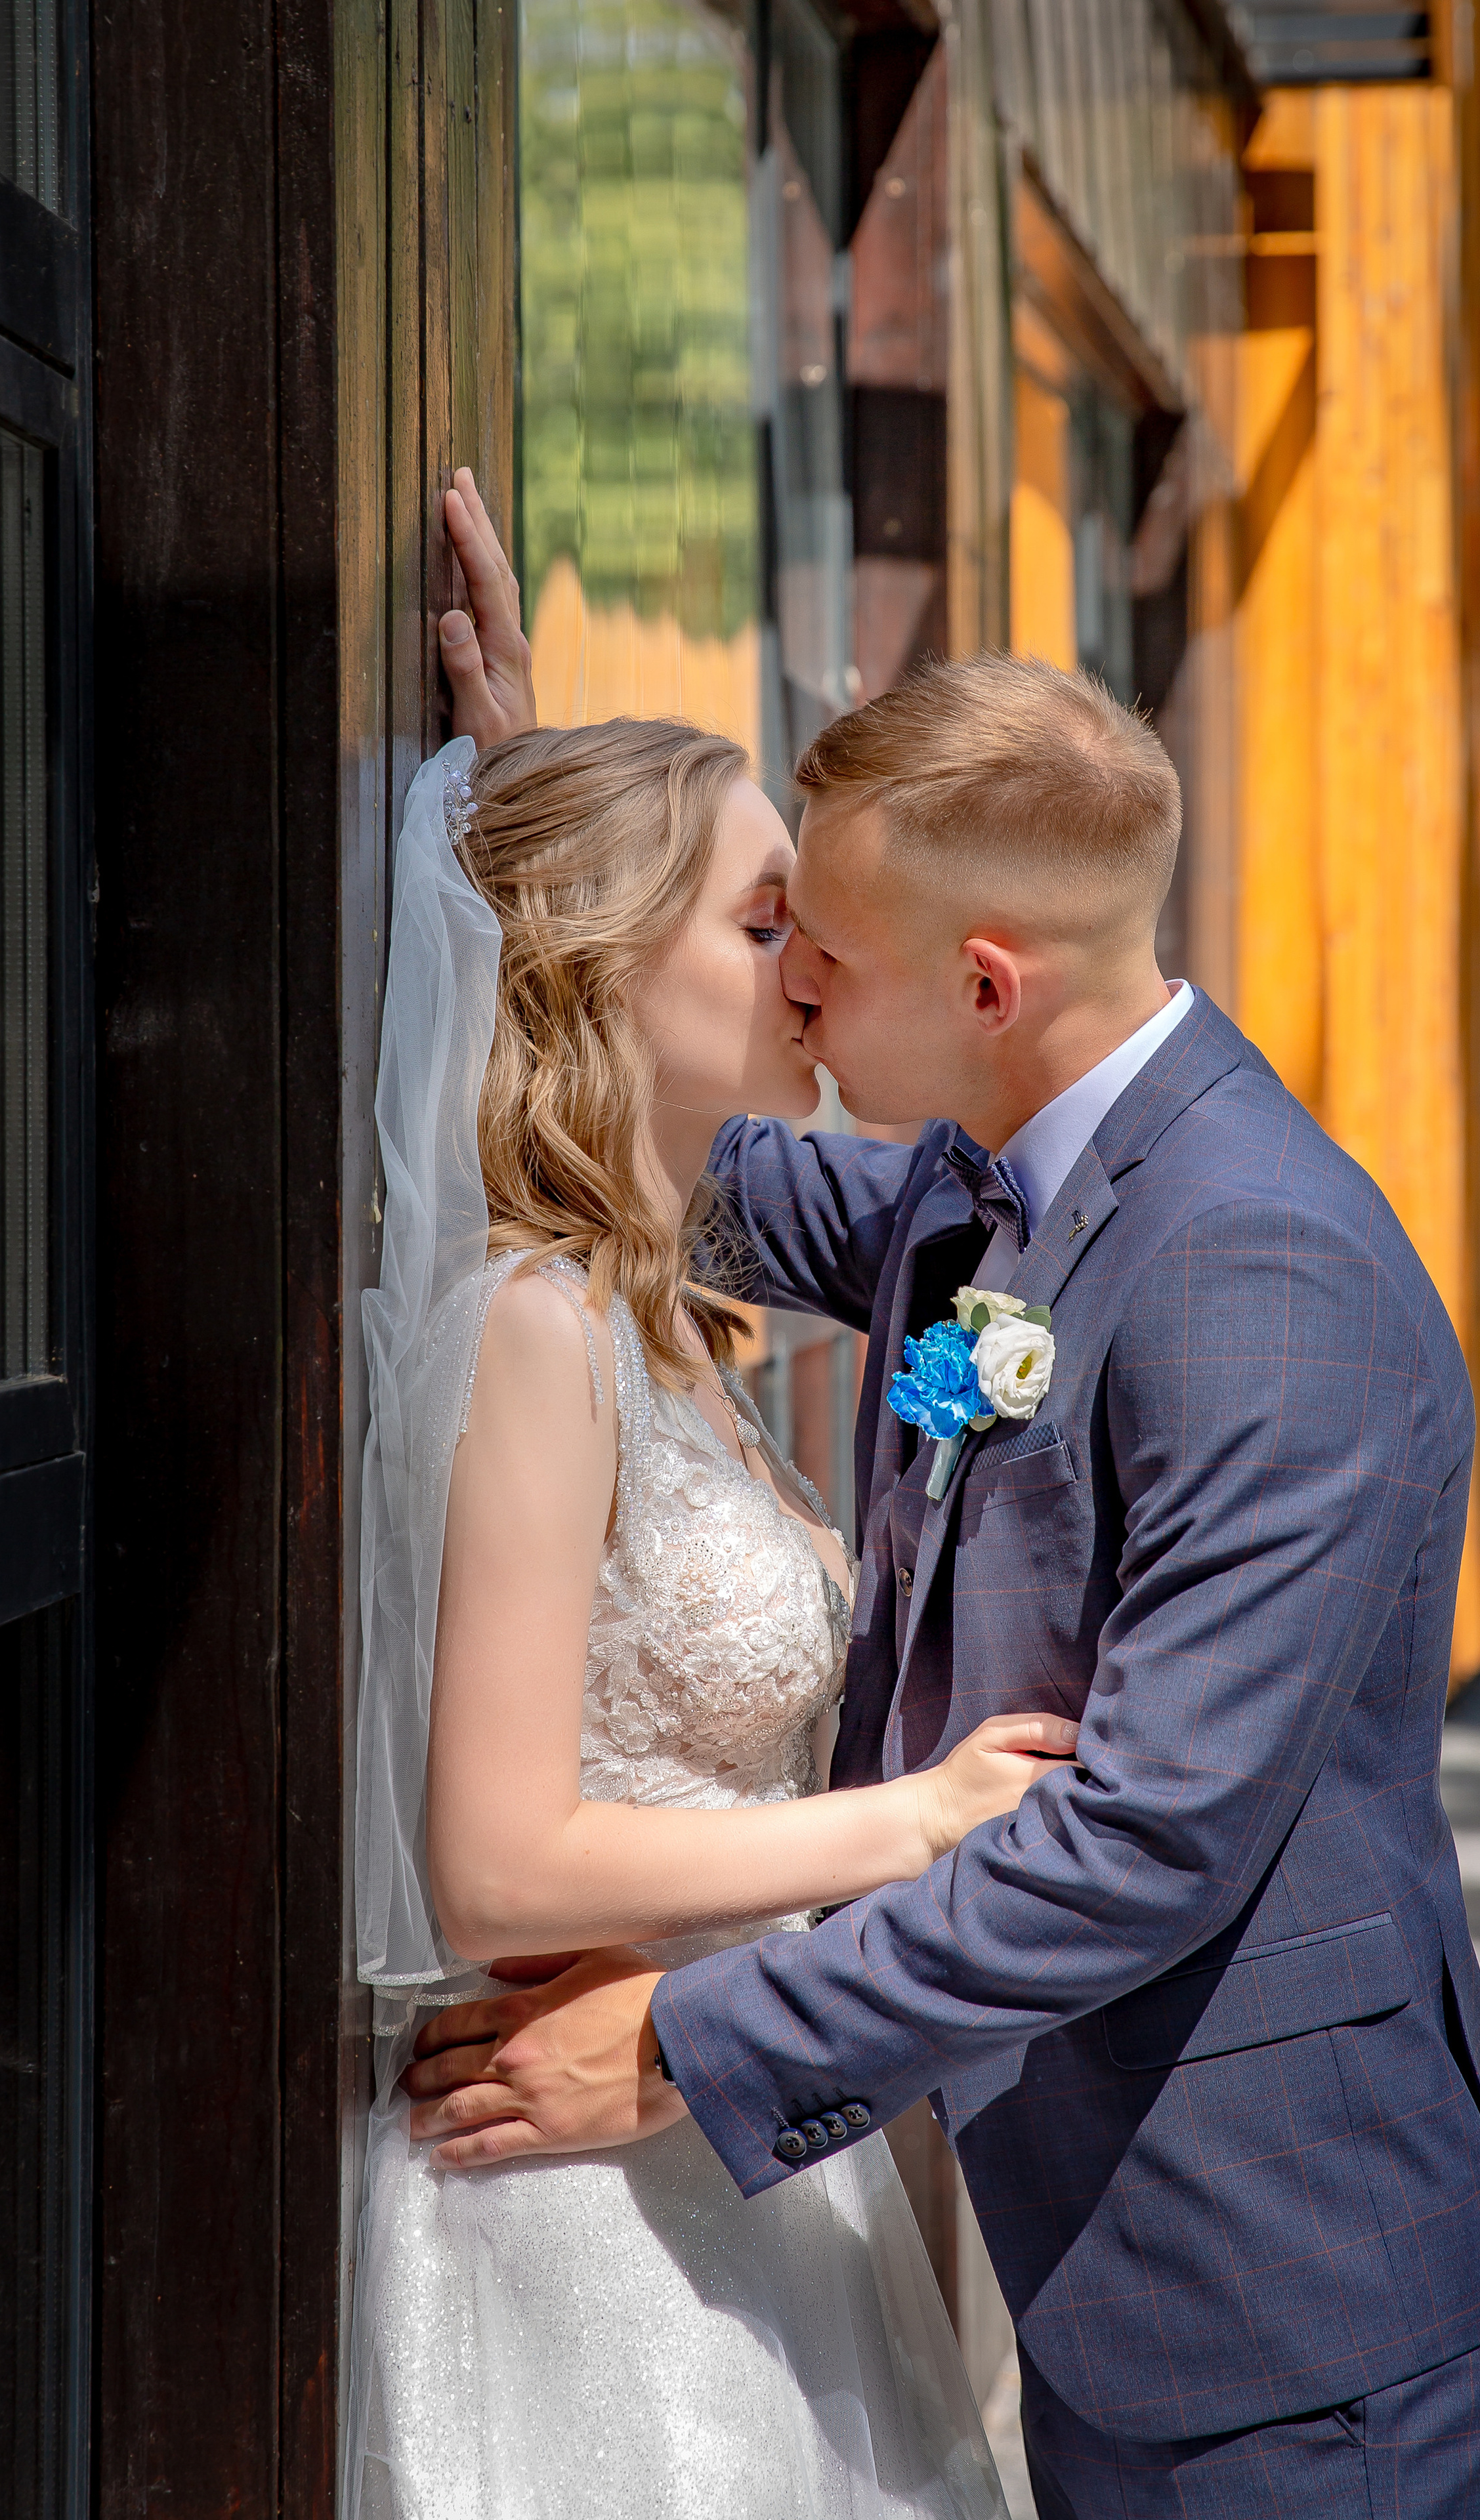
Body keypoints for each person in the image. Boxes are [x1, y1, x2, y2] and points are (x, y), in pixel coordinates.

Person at [416, 479, 1480, 2518]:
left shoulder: (1257, 1268)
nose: (798, 998)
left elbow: (1139, 1839)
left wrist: (684, 2046)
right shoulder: (984, 1181)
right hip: (1087, 2259)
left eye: (820, 953)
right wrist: (526, 820)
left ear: (992, 986)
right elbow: (692, 1158)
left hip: (1286, 2299)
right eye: (776, 942)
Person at [344, 480, 1080, 2520]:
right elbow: (490, 1868)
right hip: (582, 2213)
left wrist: (523, 769)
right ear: (600, 951)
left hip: (734, 2134)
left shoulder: (664, 1304)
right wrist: (916, 1822)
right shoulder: (536, 1331)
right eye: (772, 924)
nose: (818, 964)